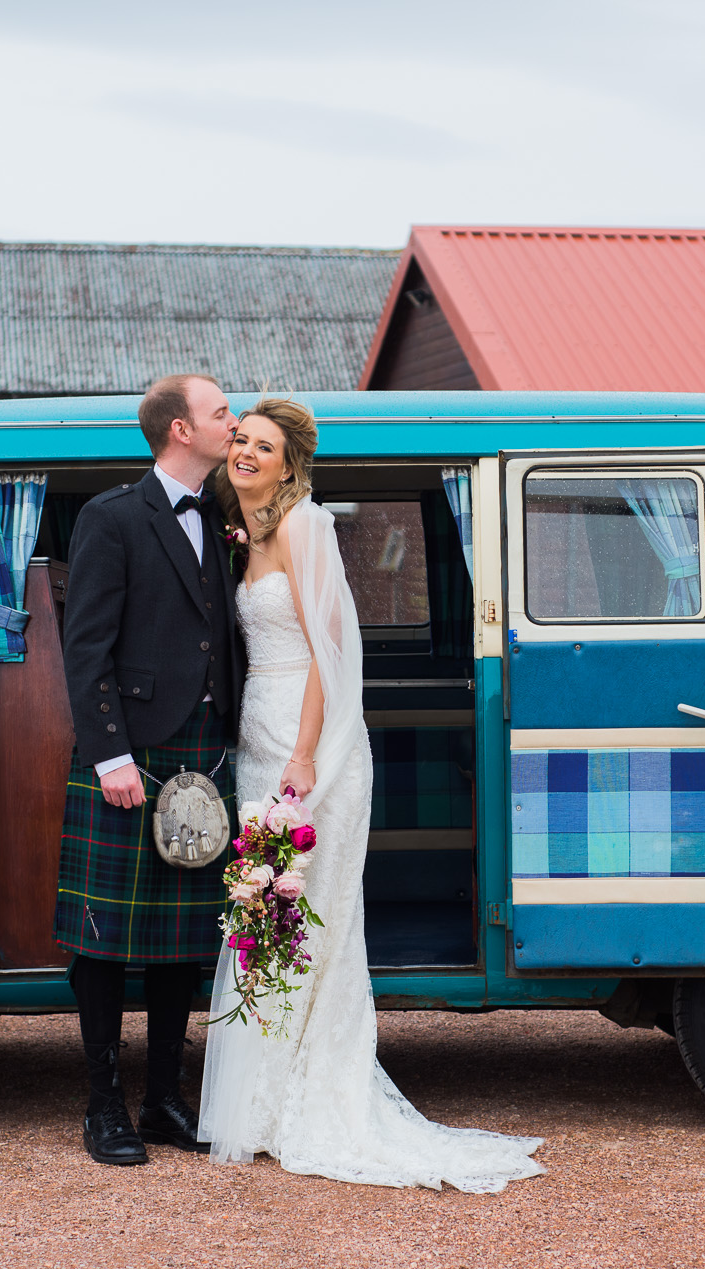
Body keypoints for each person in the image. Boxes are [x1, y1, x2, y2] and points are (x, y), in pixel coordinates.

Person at [196, 398, 546, 1193]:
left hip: (310, 744)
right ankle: (259, 1097)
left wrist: (309, 752)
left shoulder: (306, 526)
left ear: (291, 465)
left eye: (265, 446)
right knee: (264, 911)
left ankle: (310, 1095)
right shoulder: (238, 531)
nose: (247, 452)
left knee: (309, 914)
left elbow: (329, 649)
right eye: (241, 440)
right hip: (257, 736)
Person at [54, 373, 245, 1165]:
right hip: (134, 758)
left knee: (183, 940)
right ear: (179, 430)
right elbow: (85, 646)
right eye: (222, 412)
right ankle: (103, 1105)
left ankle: (163, 1095)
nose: (234, 422)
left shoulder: (226, 514)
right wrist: (111, 755)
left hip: (208, 753)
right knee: (103, 939)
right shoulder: (112, 517)